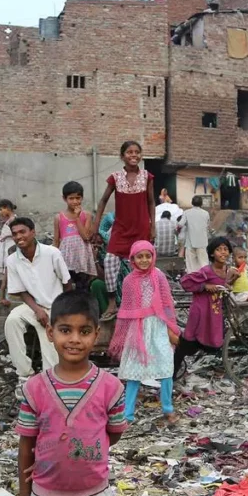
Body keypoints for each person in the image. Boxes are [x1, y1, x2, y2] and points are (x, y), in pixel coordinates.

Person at [16, 290, 127, 496]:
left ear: (96, 334)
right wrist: (24, 495)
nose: (74, 339)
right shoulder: (34, 388)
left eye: (84, 332)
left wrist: (82, 449)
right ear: (50, 332)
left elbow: (113, 433)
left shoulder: (111, 388)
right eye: (65, 330)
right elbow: (26, 444)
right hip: (45, 493)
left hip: (95, 493)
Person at [109, 241, 180, 424]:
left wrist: (171, 327)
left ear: (153, 257)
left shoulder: (159, 276)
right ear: (132, 259)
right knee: (134, 371)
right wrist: (124, 335)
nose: (144, 260)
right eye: (140, 256)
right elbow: (126, 309)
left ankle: (167, 408)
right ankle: (128, 414)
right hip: (137, 328)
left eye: (148, 256)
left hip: (158, 326)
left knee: (166, 366)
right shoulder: (129, 281)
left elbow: (166, 303)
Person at [4, 217, 71, 398]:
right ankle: (25, 376)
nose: (18, 237)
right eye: (15, 234)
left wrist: (63, 310)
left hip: (57, 305)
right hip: (34, 307)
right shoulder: (12, 260)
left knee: (48, 337)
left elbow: (67, 282)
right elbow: (21, 291)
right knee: (12, 320)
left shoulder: (51, 253)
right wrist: (37, 310)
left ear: (33, 232)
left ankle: (51, 382)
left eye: (22, 232)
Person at [95, 141, 157, 317]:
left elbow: (151, 202)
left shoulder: (147, 177)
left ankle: (142, 302)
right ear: (122, 156)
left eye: (137, 152)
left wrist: (153, 227)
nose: (134, 155)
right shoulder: (115, 177)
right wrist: (96, 226)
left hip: (141, 228)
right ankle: (113, 302)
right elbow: (103, 201)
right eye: (129, 152)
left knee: (141, 265)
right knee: (110, 261)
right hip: (121, 229)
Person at [173, 237, 239, 378]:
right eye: (218, 249)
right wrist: (205, 286)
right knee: (187, 344)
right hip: (201, 311)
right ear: (212, 254)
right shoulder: (206, 271)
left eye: (225, 249)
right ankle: (171, 375)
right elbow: (185, 282)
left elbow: (226, 287)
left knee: (212, 340)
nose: (223, 252)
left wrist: (232, 281)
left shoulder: (228, 270)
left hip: (215, 311)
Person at [54, 181, 97, 281]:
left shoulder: (86, 215)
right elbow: (56, 241)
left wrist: (77, 218)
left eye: (78, 198)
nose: (75, 201)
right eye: (71, 198)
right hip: (66, 258)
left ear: (82, 198)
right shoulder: (59, 218)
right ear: (65, 199)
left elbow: (86, 237)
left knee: (83, 285)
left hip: (82, 257)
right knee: (68, 284)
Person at [0, 199, 17, 307]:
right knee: (6, 273)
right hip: (5, 247)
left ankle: (8, 295)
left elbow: (17, 235)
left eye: (1, 209)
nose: (0, 212)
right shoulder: (8, 221)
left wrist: (6, 236)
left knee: (10, 272)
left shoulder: (14, 220)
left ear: (7, 208)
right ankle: (5, 295)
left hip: (10, 248)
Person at [179, 196, 210, 274]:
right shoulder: (206, 213)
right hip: (202, 242)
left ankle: (193, 280)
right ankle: (205, 277)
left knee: (191, 265)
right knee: (204, 263)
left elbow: (180, 224)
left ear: (192, 203)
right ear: (201, 203)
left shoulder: (187, 212)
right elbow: (208, 226)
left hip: (190, 243)